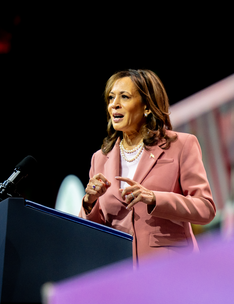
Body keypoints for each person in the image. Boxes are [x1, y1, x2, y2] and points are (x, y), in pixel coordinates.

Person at [80, 69, 216, 264]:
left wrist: (154, 199)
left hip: (170, 267)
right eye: (111, 98)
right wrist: (89, 202)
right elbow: (90, 230)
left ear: (147, 107)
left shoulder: (181, 145)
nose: (114, 105)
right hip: (119, 271)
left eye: (124, 97)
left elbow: (205, 208)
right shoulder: (100, 159)